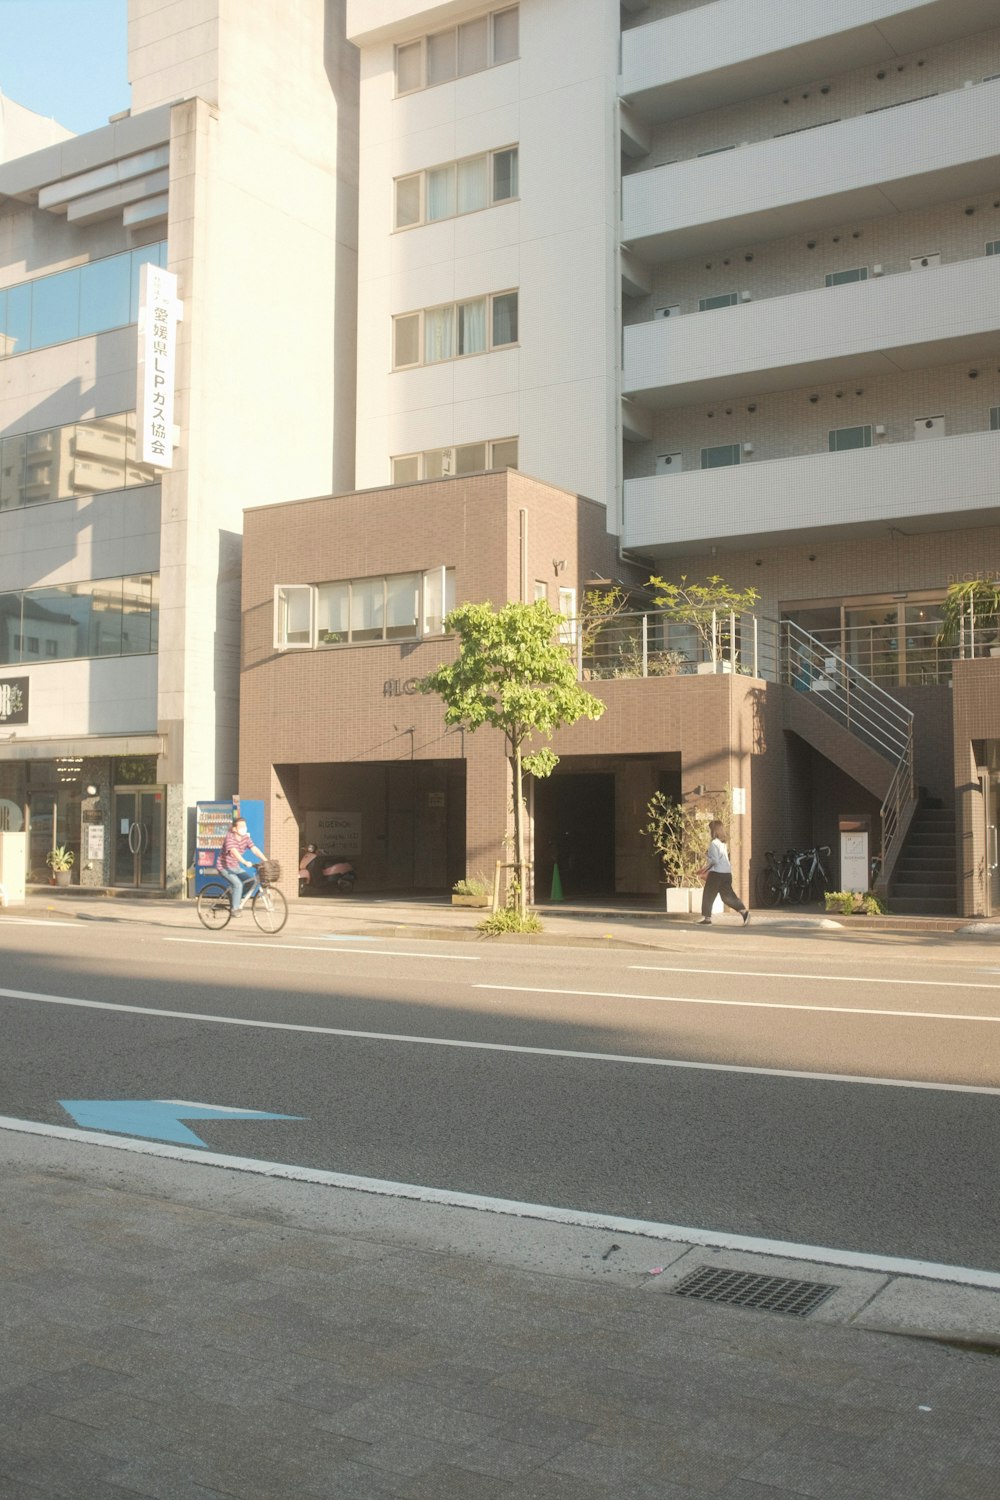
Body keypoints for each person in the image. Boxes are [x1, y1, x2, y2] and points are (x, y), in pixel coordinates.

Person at [697, 819, 749, 926]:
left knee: (708, 895)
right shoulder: (723, 843)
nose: (708, 832)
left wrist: (705, 869)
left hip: (716, 874)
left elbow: (715, 860)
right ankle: (744, 912)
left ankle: (707, 919)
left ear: (713, 830)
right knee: (727, 896)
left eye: (709, 829)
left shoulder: (713, 843)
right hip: (726, 873)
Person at [216, 816, 266, 914]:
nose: (244, 828)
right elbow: (234, 851)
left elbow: (254, 849)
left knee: (251, 882)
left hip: (235, 867)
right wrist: (244, 862)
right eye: (241, 826)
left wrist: (265, 860)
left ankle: (235, 898)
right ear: (234, 829)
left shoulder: (246, 837)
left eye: (245, 826)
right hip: (224, 867)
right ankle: (234, 909)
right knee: (238, 884)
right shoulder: (229, 837)